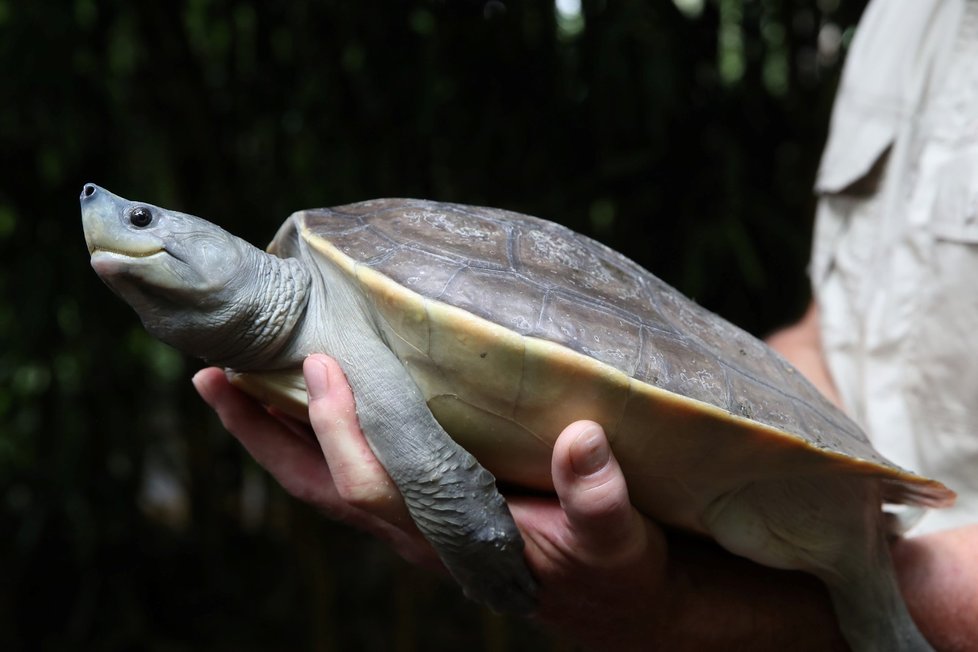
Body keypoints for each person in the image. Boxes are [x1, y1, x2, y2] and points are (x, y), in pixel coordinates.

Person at [195, 0, 978, 647]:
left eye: (141, 217)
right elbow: (840, 326)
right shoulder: (902, 18)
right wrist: (713, 434)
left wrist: (687, 607)